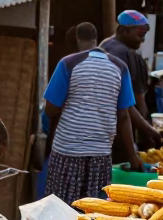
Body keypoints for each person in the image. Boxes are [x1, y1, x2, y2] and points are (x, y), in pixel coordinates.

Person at [44, 21, 140, 202]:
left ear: (76, 39)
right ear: (96, 39)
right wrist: (132, 155)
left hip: (67, 152)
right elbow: (124, 116)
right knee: (93, 212)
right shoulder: (120, 67)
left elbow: (51, 108)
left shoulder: (68, 63)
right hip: (100, 154)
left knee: (60, 207)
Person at [102, 10, 162, 160]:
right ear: (123, 30)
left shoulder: (104, 46)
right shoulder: (127, 55)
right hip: (119, 136)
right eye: (139, 35)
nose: (142, 41)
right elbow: (135, 105)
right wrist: (150, 137)